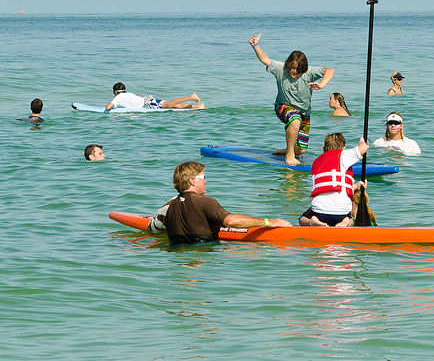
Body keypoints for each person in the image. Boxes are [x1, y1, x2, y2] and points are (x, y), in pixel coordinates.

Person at [148, 161, 291, 245]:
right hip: (204, 259)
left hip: (176, 262)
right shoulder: (205, 202)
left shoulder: (167, 207)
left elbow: (152, 230)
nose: (206, 181)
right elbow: (231, 221)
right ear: (192, 181)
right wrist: (268, 222)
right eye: (203, 177)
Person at [248, 33, 335, 165]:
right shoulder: (280, 69)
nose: (294, 71)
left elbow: (330, 70)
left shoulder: (309, 72)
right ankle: (289, 155)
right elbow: (265, 59)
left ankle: (287, 150)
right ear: (288, 65)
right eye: (292, 68)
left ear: (303, 69)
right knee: (295, 119)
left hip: (304, 112)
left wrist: (321, 84)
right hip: (282, 106)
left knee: (300, 150)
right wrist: (256, 46)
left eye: (298, 69)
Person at [298, 133, 368, 227]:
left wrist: (356, 186)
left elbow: (330, 185)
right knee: (352, 219)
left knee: (302, 219)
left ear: (323, 150)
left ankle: (311, 222)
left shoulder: (316, 162)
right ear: (343, 148)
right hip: (341, 213)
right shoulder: (343, 155)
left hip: (320, 212)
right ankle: (346, 222)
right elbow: (363, 148)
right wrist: (362, 141)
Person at [105, 83, 205, 111]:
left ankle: (191, 97)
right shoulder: (128, 93)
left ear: (115, 92)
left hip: (147, 104)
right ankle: (198, 107)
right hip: (147, 100)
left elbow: (108, 107)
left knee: (170, 104)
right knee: (172, 106)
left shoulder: (118, 97)